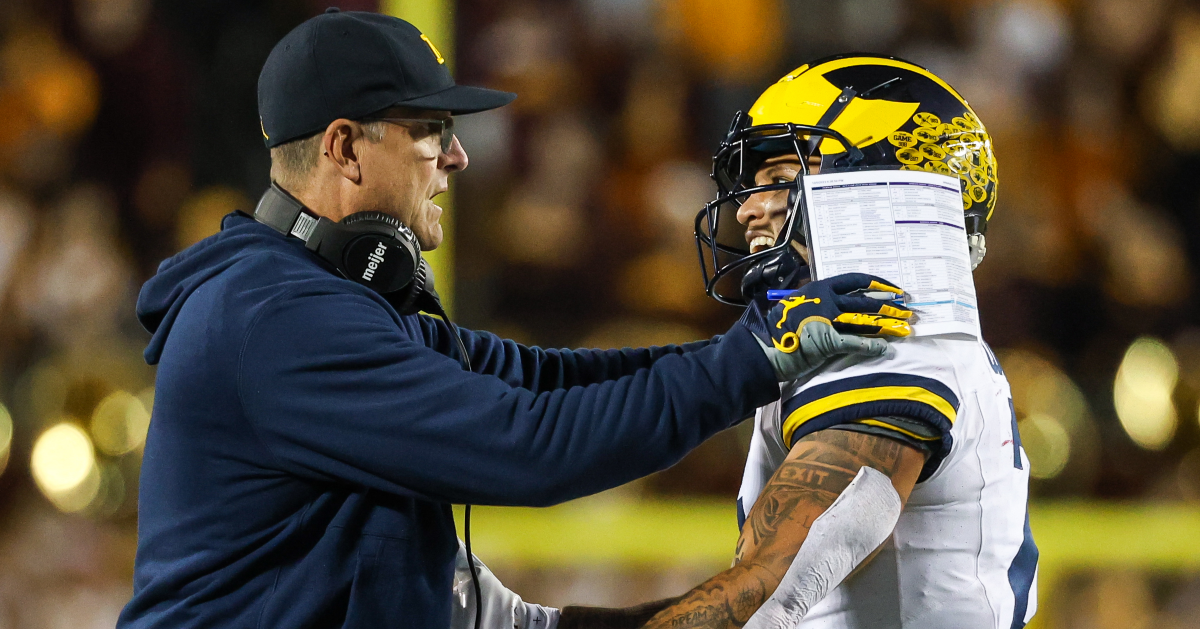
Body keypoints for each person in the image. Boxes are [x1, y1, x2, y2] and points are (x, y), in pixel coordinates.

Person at [116, 10, 915, 629]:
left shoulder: (319, 299)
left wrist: (748, 352)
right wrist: (754, 358)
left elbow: (545, 380)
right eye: (432, 131)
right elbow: (533, 445)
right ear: (345, 149)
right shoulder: (275, 320)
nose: (458, 157)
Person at [463, 55, 1037, 629]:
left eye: (782, 180)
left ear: (885, 185)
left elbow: (761, 603)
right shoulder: (894, 337)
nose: (747, 209)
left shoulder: (891, 346)